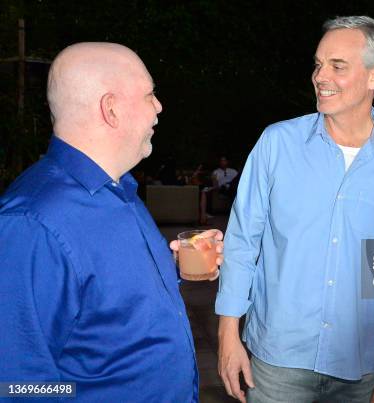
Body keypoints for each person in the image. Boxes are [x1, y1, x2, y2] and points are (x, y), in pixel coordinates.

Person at [215, 16, 374, 403]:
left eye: (337, 66)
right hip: (277, 361)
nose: (320, 76)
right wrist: (227, 334)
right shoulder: (276, 144)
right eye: (318, 64)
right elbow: (242, 241)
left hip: (363, 367)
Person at [0, 42, 223, 402]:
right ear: (112, 109)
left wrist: (174, 266)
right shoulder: (31, 224)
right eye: (150, 95)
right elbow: (15, 384)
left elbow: (96, 290)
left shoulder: (118, 189)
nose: (159, 107)